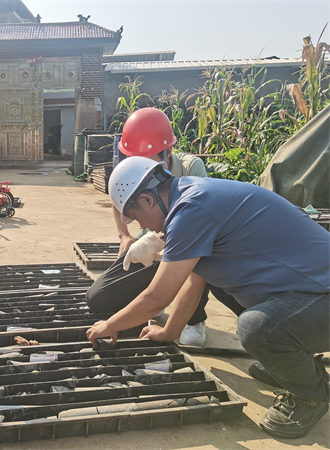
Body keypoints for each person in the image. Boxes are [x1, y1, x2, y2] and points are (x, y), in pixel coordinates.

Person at [86, 156, 329, 439]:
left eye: (138, 216)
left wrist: (109, 325)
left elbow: (156, 299)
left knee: (257, 328)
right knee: (224, 280)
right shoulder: (191, 195)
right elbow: (196, 279)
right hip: (310, 290)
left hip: (322, 296)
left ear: (147, 200)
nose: (145, 227)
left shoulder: (191, 210)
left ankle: (311, 395)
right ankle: (291, 361)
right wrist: (168, 331)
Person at [86, 107, 210, 347]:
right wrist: (125, 236)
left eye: (146, 160)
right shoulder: (130, 166)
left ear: (168, 152)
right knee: (98, 299)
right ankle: (155, 299)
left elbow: (200, 230)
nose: (139, 167)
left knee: (204, 259)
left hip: (186, 246)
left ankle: (193, 319)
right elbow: (118, 198)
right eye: (134, 160)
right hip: (151, 248)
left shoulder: (191, 169)